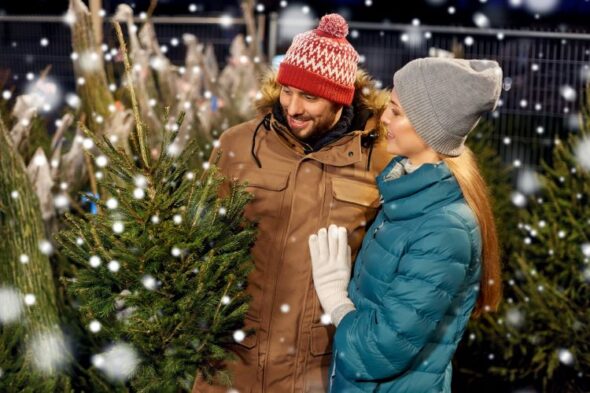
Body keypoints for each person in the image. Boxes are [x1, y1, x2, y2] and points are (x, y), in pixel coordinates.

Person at [193, 14, 391, 393]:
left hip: (315, 366)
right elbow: (204, 237)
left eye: (310, 97)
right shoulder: (238, 145)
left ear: (339, 99)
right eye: (287, 91)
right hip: (232, 359)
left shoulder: (377, 158)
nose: (293, 107)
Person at [309, 57, 503, 392]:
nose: (383, 117)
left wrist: (336, 300)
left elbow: (375, 354)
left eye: (396, 111)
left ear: (430, 128)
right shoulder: (406, 194)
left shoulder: (445, 230)